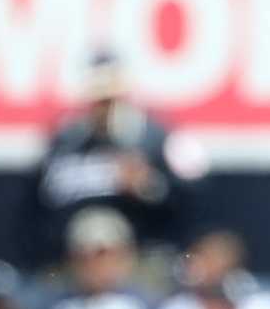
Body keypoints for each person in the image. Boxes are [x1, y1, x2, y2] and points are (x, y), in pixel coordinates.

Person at [28, 48, 205, 266]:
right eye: (99, 99)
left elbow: (189, 206)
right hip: (74, 264)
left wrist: (148, 187)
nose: (104, 108)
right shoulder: (65, 142)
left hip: (138, 263)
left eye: (111, 99)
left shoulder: (155, 140)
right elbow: (37, 207)